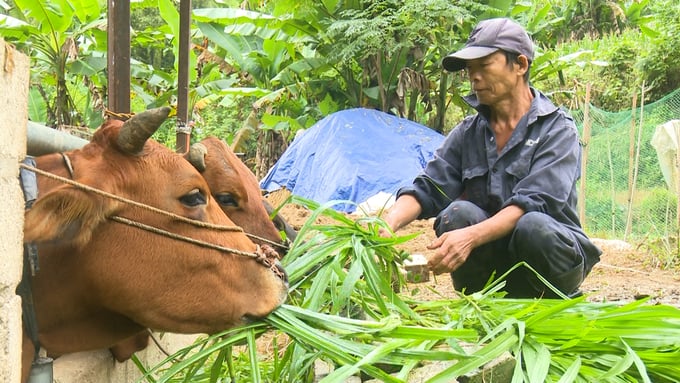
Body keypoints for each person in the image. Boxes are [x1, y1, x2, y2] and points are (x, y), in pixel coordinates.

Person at [382, 18, 601, 298]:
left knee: (533, 226)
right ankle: (480, 300)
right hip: (491, 271)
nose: (474, 77)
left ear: (520, 65)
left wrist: (469, 238)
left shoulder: (557, 130)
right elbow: (428, 187)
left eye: (484, 65)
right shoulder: (468, 133)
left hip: (550, 266)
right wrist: (387, 224)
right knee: (458, 215)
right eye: (470, 69)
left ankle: (550, 303)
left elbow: (533, 203)